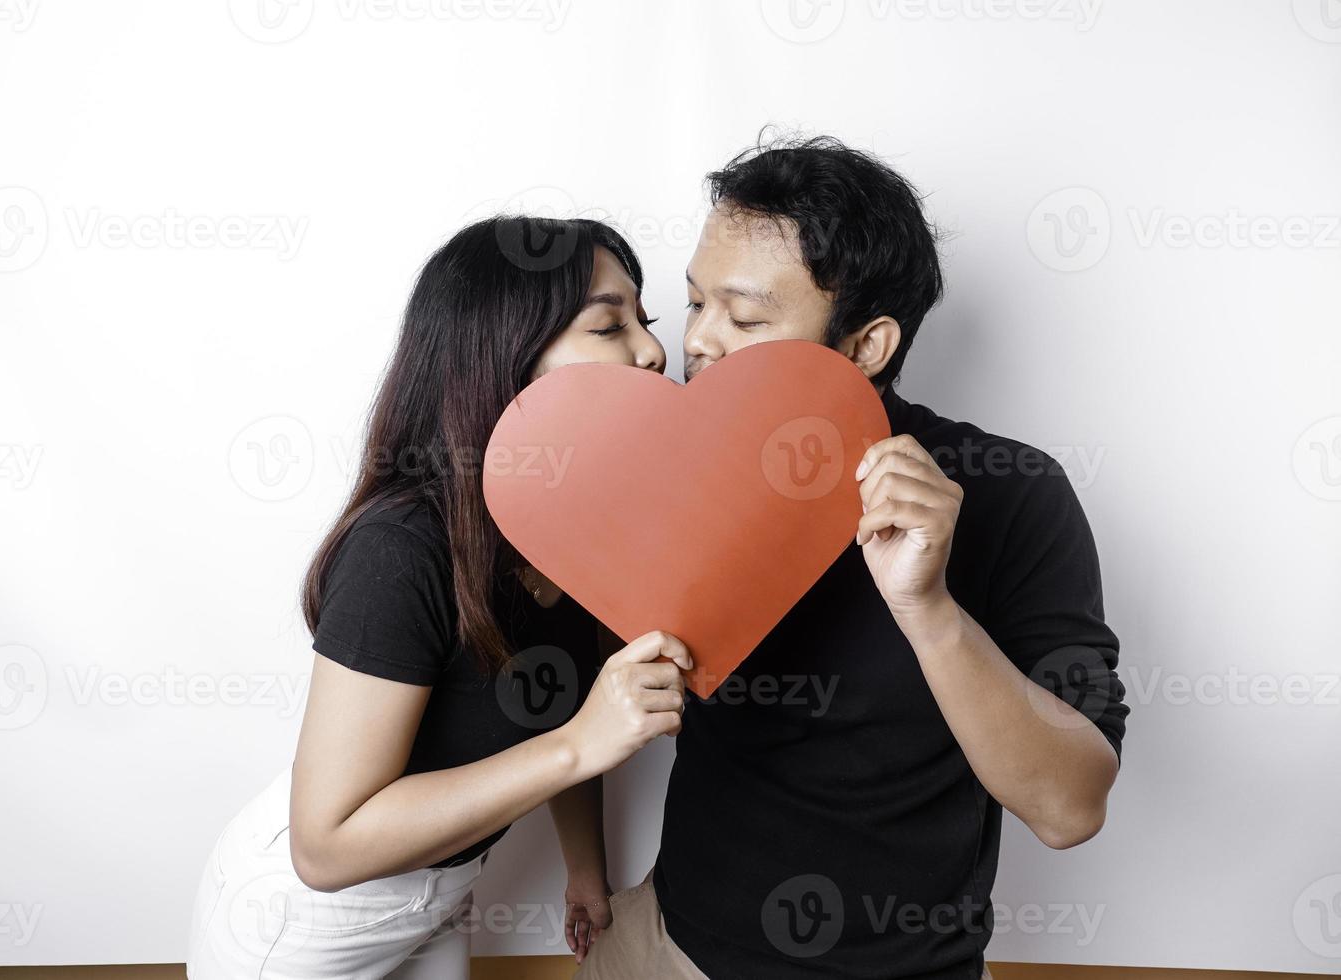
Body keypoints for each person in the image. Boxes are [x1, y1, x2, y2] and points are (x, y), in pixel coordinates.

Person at [576, 136, 1130, 979]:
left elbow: (1069, 807)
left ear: (867, 346)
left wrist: (928, 610)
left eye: (748, 318)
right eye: (693, 305)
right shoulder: (675, 470)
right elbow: (564, 691)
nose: (702, 343)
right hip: (665, 941)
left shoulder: (1013, 494)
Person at [187, 216, 691, 980]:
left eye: (645, 322)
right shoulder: (402, 548)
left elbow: (571, 707)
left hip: (440, 896)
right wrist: (580, 743)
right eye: (609, 325)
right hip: (307, 926)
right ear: (505, 352)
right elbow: (324, 846)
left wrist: (585, 870)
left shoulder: (578, 524)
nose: (655, 351)